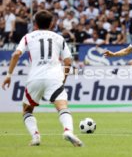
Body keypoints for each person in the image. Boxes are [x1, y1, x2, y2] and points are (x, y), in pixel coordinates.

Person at [1, 10, 83, 147]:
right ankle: (68, 131)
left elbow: (16, 54)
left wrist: (9, 76)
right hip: (54, 78)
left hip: (35, 78)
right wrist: (63, 80)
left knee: (27, 110)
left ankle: (36, 137)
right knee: (62, 107)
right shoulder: (59, 38)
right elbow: (68, 62)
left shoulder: (28, 37)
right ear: (51, 24)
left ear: (35, 24)